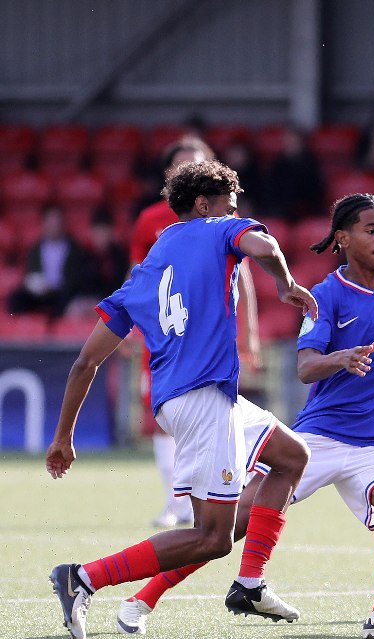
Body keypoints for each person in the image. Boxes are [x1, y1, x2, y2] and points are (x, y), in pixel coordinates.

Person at [114, 193, 374, 639]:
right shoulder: (326, 295)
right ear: (342, 238)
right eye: (371, 230)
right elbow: (304, 368)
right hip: (318, 439)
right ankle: (141, 598)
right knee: (231, 523)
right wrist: (338, 358)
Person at [46, 160, 318, 639]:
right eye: (231, 207)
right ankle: (82, 577)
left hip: (190, 399)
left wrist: (63, 436)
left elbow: (84, 364)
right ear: (204, 205)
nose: (237, 215)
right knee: (212, 537)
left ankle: (250, 583)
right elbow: (268, 245)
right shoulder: (218, 229)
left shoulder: (145, 270)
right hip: (203, 401)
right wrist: (284, 283)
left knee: (292, 456)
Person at [130, 136, 264, 529]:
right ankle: (178, 499)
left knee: (214, 412)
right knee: (161, 418)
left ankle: (205, 495)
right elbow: (138, 278)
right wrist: (128, 327)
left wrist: (250, 335)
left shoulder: (225, 222)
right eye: (181, 165)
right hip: (163, 336)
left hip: (208, 338)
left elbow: (244, 279)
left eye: (196, 163)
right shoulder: (150, 220)